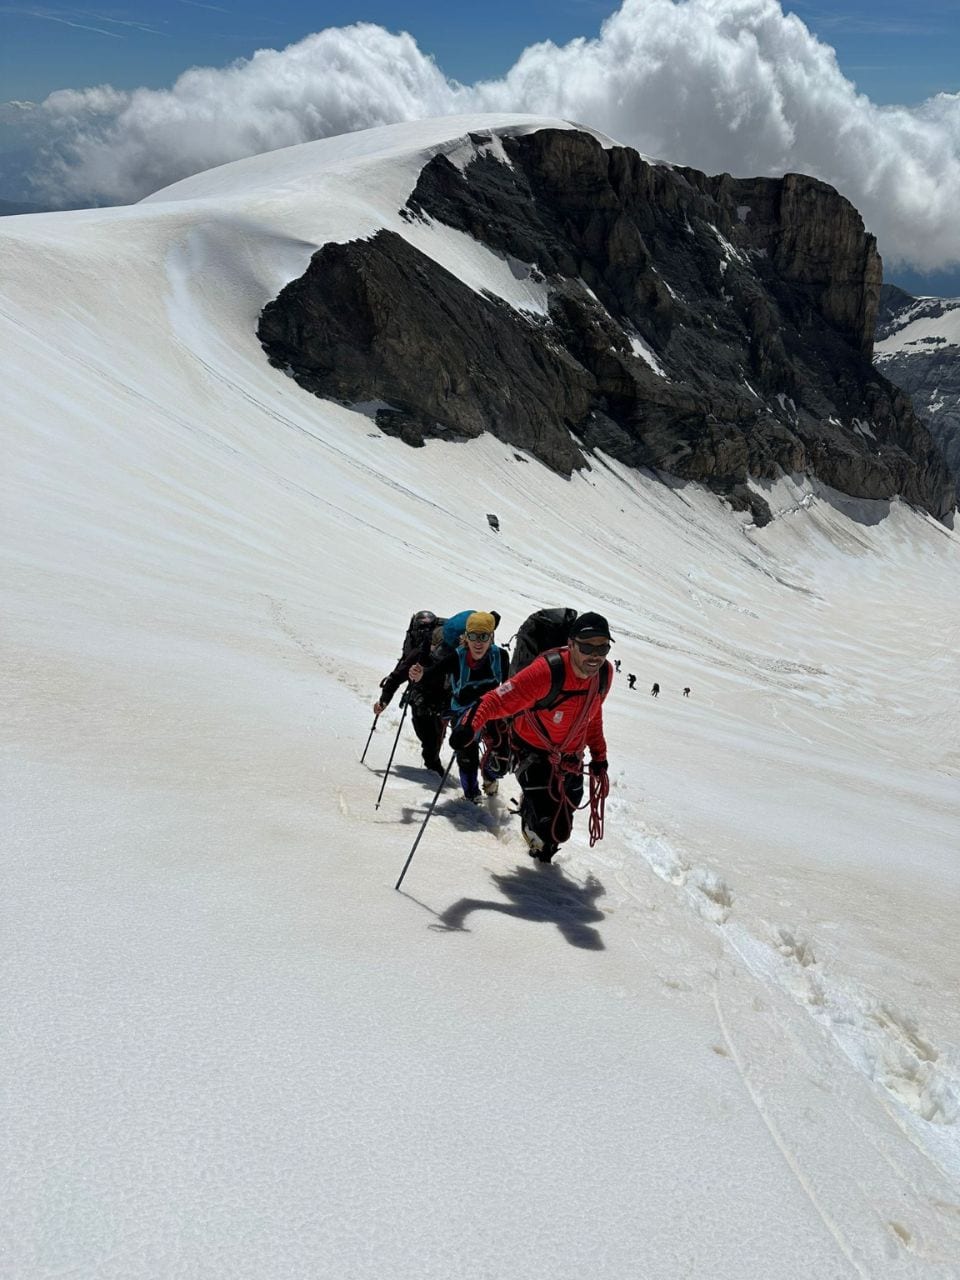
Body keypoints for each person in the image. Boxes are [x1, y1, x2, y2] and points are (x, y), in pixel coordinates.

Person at [451, 611, 613, 863]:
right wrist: (469, 726)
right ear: (571, 645)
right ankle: (496, 779)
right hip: (533, 751)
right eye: (587, 646)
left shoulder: (603, 674)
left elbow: (592, 715)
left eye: (602, 647)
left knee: (561, 829)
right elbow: (496, 699)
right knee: (547, 824)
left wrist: (599, 756)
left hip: (570, 758)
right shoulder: (547, 671)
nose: (595, 654)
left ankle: (541, 837)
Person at [410, 611, 510, 803]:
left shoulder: (501, 657)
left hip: (492, 710)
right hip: (464, 712)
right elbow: (433, 672)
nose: (478, 643)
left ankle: (489, 775)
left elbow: (510, 686)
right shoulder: (457, 657)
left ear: (491, 637)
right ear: (466, 637)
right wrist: (420, 674)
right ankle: (472, 794)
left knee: (502, 754)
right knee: (467, 754)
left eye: (483, 636)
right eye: (473, 636)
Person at [373, 610, 445, 775]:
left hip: (435, 696)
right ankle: (434, 768)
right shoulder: (421, 651)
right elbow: (398, 675)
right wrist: (383, 701)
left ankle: (434, 766)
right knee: (432, 738)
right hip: (429, 696)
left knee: (432, 737)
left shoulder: (439, 649)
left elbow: (397, 677)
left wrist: (384, 701)